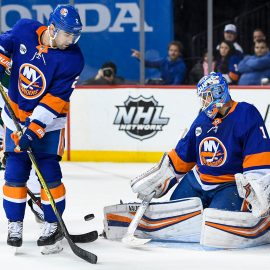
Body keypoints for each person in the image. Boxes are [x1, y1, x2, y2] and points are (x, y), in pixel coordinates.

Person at [103, 72, 270, 248]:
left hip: (228, 184)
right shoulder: (203, 118)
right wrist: (163, 176)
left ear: (220, 92)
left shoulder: (246, 114)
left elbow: (259, 151)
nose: (204, 102)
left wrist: (256, 184)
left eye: (206, 96)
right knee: (172, 212)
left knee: (218, 219)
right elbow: (185, 152)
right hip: (197, 181)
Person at [0, 4, 84, 254]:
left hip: (49, 125)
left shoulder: (73, 59)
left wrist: (32, 130)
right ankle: (14, 224)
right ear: (53, 28)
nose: (71, 40)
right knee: (14, 171)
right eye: (67, 34)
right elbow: (3, 43)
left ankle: (52, 224)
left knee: (49, 174)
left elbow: (55, 100)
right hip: (14, 114)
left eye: (74, 35)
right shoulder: (25, 29)